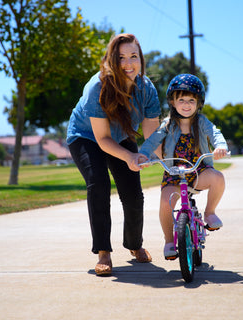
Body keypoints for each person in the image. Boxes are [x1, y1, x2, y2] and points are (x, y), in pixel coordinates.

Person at [66, 33, 161, 276]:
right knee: (98, 183)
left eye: (133, 56)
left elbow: (152, 133)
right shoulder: (96, 87)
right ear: (112, 60)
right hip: (87, 137)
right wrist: (130, 157)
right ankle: (103, 253)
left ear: (141, 59)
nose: (128, 64)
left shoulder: (147, 88)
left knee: (132, 194)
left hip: (121, 136)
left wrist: (165, 155)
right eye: (121, 58)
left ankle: (134, 244)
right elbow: (102, 139)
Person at [139, 74, 228, 260]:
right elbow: (151, 141)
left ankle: (210, 212)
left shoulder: (202, 122)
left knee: (218, 178)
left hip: (198, 171)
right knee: (165, 202)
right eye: (181, 100)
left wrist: (221, 146)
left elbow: (215, 133)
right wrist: (143, 155)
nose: (186, 104)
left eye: (191, 100)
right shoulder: (168, 124)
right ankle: (169, 241)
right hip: (173, 174)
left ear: (198, 102)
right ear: (172, 101)